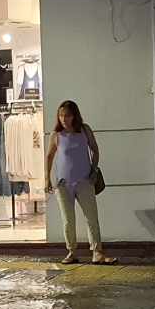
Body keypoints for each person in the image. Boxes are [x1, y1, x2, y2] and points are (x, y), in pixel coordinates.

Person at [45, 99, 113, 264]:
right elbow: (49, 156)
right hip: (63, 183)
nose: (64, 119)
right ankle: (71, 251)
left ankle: (97, 251)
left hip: (84, 181)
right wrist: (47, 178)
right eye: (61, 115)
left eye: (67, 115)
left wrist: (93, 170)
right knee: (68, 219)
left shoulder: (84, 130)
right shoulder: (56, 135)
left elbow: (95, 149)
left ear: (74, 116)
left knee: (91, 217)